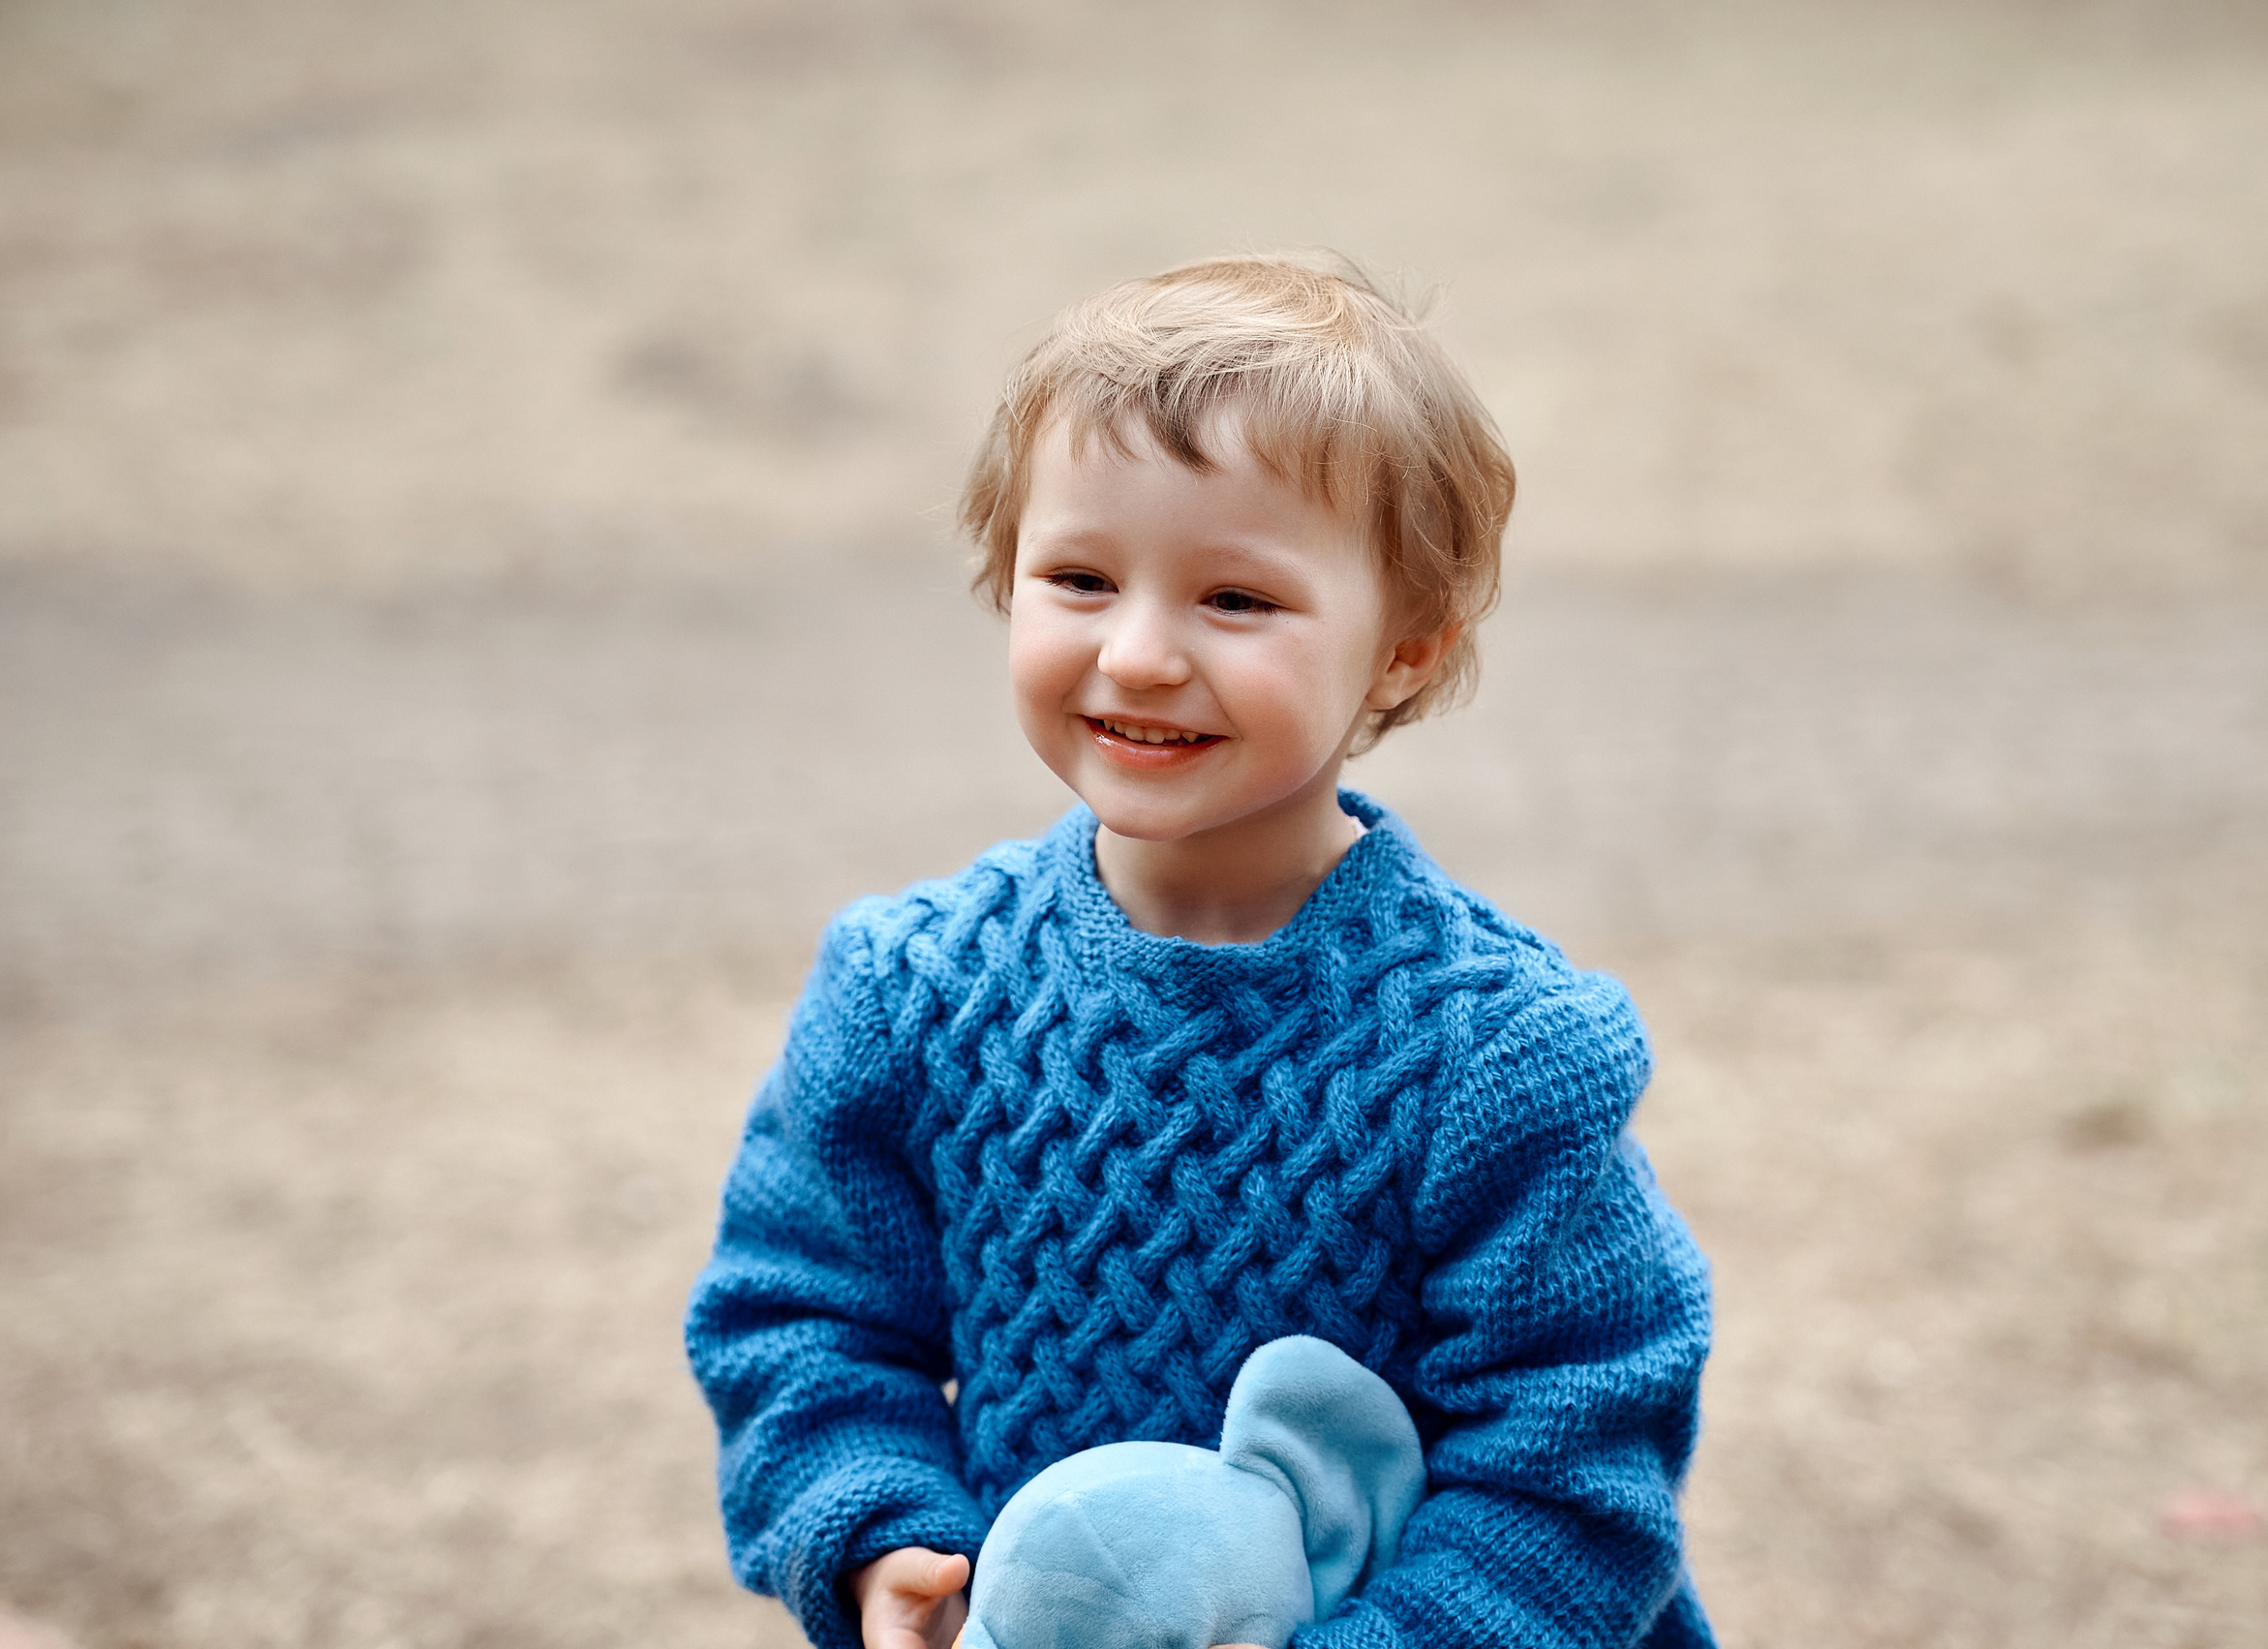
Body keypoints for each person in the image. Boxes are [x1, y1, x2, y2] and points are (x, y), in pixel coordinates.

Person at [685, 254, 1716, 1649]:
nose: (1143, 653)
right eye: (1081, 578)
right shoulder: (911, 992)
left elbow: (1573, 1460)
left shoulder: (1498, 1055)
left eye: (1236, 600)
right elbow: (803, 1322)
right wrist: (874, 1536)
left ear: (1404, 652)